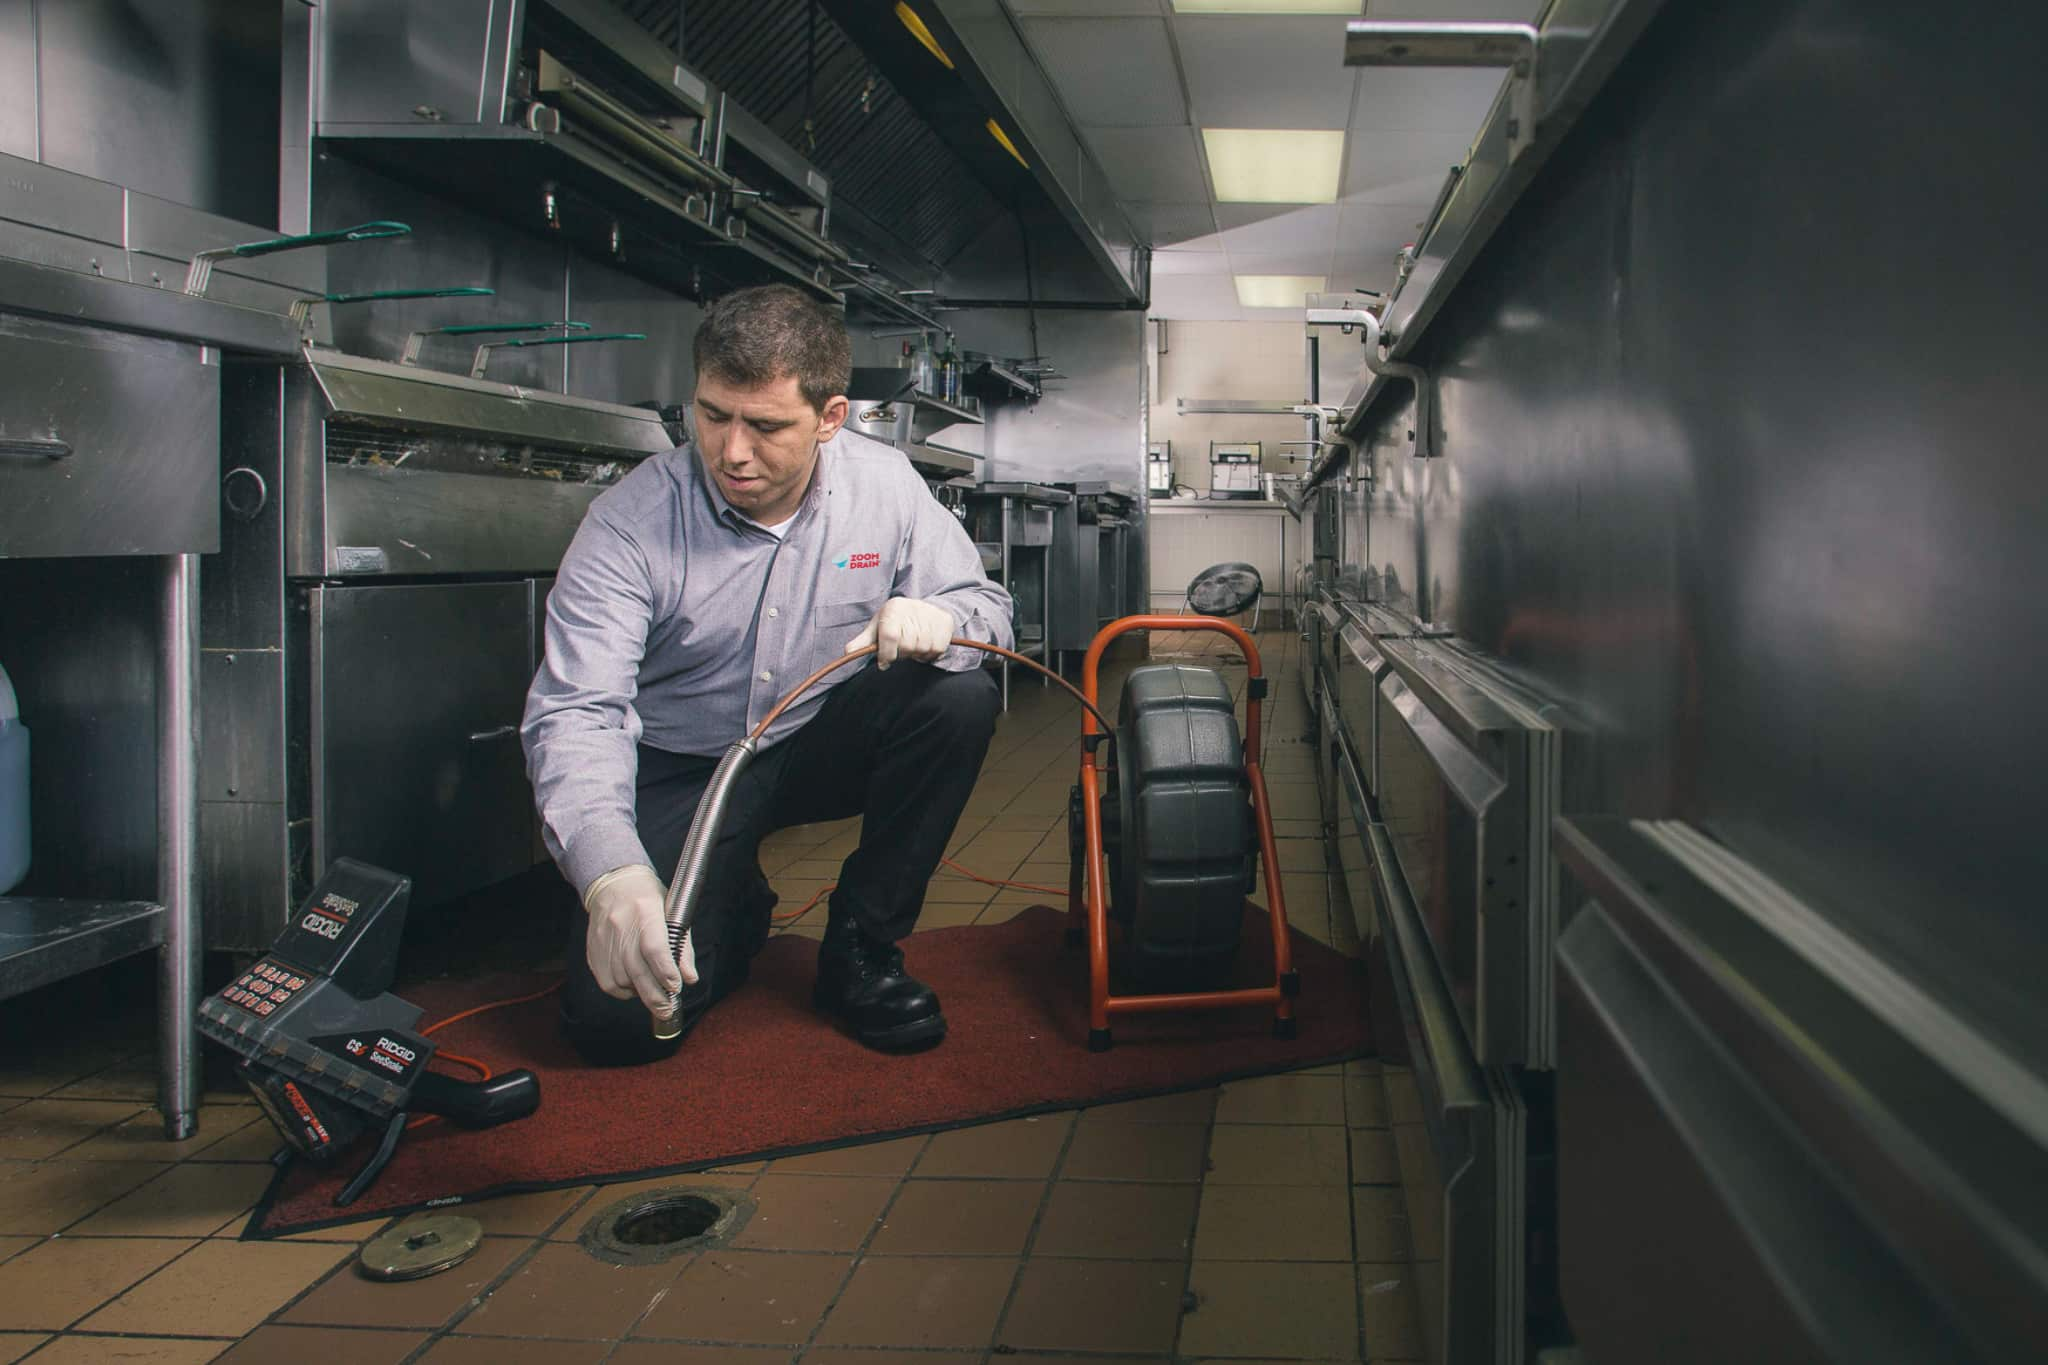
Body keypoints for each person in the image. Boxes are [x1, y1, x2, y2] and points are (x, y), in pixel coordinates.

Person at [522, 284, 1012, 1065]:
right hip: (684, 768)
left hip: (815, 738)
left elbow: (985, 606)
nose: (733, 451)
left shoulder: (885, 488)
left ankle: (862, 946)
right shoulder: (630, 522)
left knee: (956, 697)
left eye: (767, 425)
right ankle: (734, 907)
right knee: (619, 1027)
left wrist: (947, 623)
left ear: (830, 418)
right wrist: (611, 872)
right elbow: (578, 710)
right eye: (713, 415)